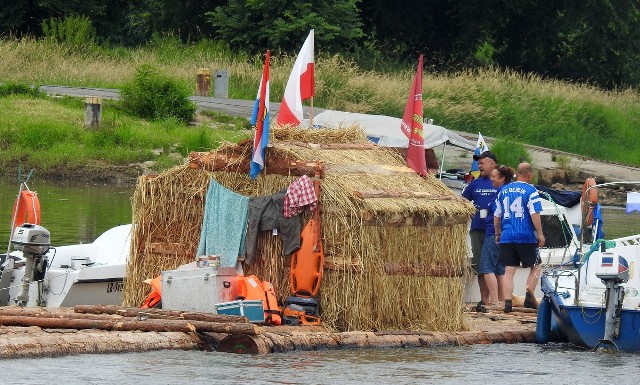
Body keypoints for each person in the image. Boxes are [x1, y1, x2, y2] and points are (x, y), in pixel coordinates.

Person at [494, 162, 545, 313]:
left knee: (508, 270)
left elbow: (497, 216)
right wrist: (540, 234)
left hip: (507, 236)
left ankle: (508, 302)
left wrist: (498, 233)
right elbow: (534, 213)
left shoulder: (503, 191)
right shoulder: (531, 190)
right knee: (536, 265)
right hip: (525, 235)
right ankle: (529, 292)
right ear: (529, 175)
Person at [462, 151, 499, 312]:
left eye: (482, 163)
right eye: (479, 163)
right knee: (480, 266)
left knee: (495, 266)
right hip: (477, 229)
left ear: (492, 164)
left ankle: (496, 300)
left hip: (495, 232)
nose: (479, 166)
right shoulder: (475, 184)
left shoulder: (499, 183)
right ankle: (484, 300)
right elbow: (463, 201)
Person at [478, 165, 514, 309]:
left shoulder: (499, 194)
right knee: (499, 268)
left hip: (494, 233)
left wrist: (496, 232)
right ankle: (502, 300)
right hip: (505, 236)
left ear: (502, 178)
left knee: (486, 267)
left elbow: (497, 215)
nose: (491, 179)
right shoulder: (508, 192)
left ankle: (493, 301)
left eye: (494, 176)